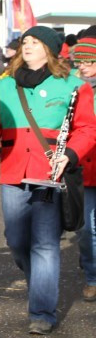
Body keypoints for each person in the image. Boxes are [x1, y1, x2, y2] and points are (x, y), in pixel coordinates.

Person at [0, 27, 96, 334]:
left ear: (51, 48)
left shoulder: (73, 86)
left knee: (45, 245)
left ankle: (43, 312)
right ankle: (40, 285)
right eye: (25, 42)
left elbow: (87, 129)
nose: (28, 46)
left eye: (35, 42)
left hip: (50, 173)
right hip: (13, 171)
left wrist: (70, 155)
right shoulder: (5, 87)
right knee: (18, 242)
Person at [74, 32, 96, 302]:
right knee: (86, 229)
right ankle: (92, 277)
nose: (82, 66)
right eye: (79, 62)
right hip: (84, 169)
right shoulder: (74, 89)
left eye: (88, 61)